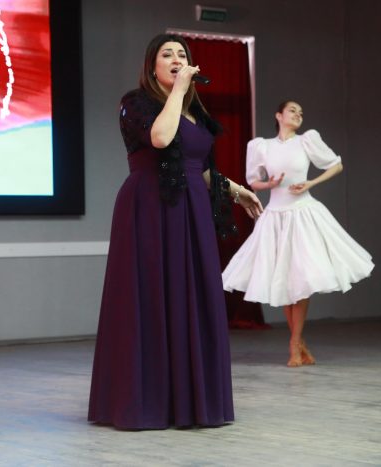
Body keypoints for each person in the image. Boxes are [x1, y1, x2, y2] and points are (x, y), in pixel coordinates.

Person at [88, 34, 263, 430]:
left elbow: (199, 169)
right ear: (152, 67)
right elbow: (161, 138)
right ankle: (147, 402)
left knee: (193, 296)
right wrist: (179, 90)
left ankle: (192, 401)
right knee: (151, 296)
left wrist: (236, 190)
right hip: (149, 207)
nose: (176, 59)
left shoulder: (195, 112)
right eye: (167, 54)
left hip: (192, 210)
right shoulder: (136, 103)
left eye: (182, 54)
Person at [222, 100, 374, 367]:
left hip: (303, 213)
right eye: (293, 110)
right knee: (284, 279)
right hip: (275, 217)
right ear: (278, 115)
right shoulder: (261, 146)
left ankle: (294, 342)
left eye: (301, 112)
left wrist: (311, 182)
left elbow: (336, 164)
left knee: (302, 279)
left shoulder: (306, 140)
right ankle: (298, 341)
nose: (298, 115)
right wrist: (270, 183)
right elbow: (252, 181)